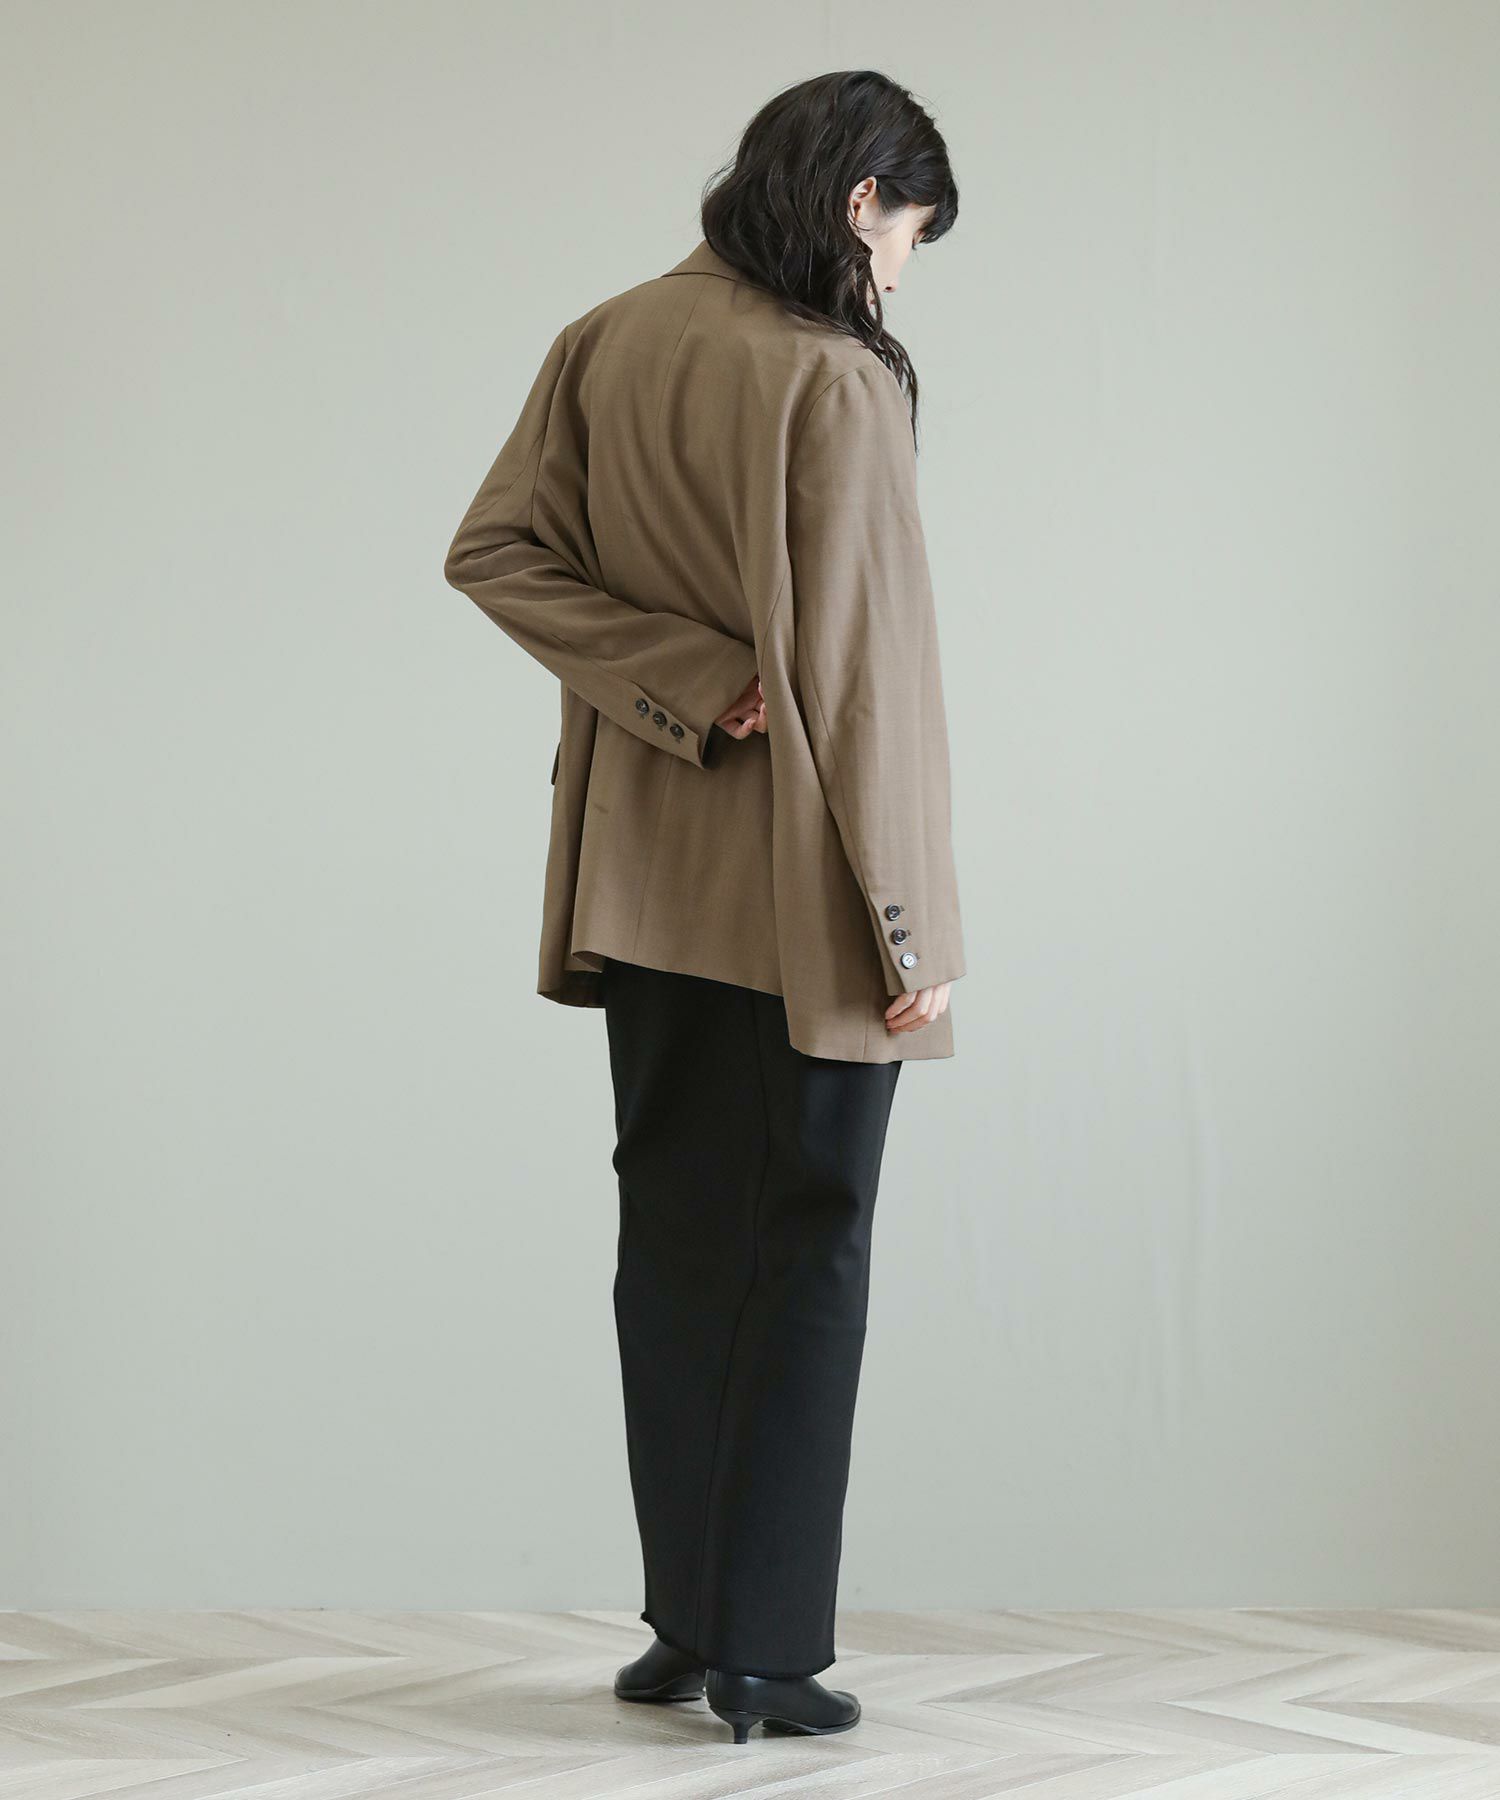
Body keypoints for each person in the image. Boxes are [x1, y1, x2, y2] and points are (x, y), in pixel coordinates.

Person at [442, 68, 965, 1747]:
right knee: (807, 1250)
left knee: (675, 1247)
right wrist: (910, 936)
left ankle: (683, 1623)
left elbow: (494, 551)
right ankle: (767, 1657)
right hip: (808, 894)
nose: (902, 276)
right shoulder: (832, 375)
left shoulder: (604, 339)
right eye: (908, 236)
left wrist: (675, 674)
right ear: (857, 199)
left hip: (647, 884)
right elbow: (869, 682)